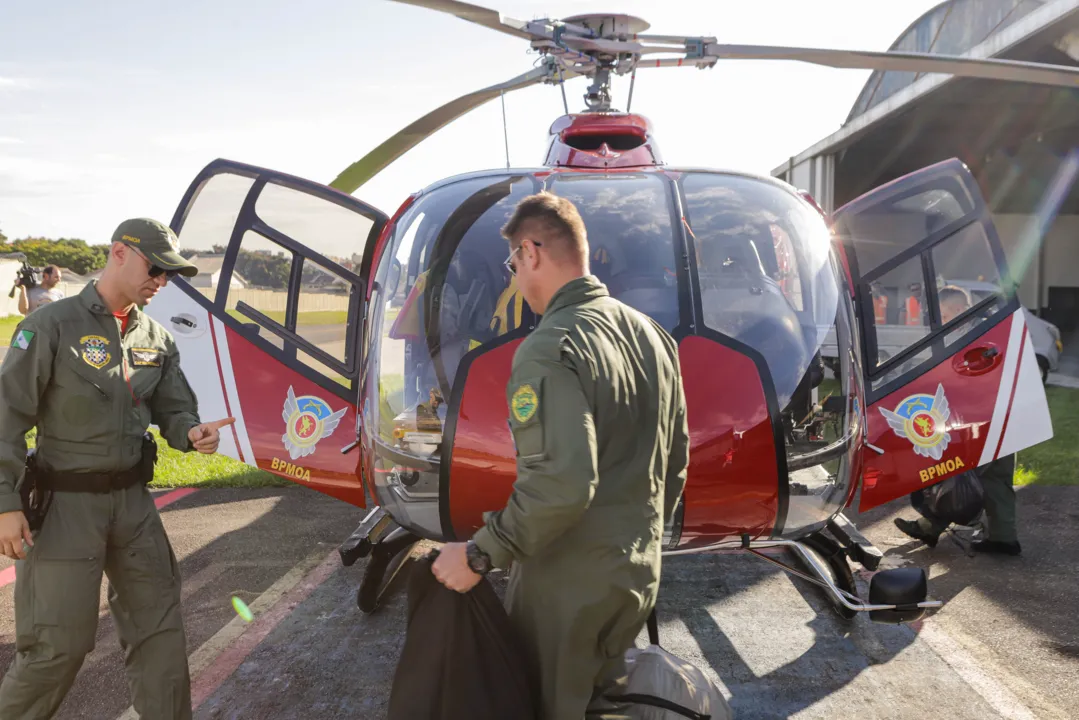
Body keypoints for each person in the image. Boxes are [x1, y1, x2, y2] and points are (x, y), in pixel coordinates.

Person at [430, 191, 690, 719]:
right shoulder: (652, 336)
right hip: (637, 571)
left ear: (530, 252)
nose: (513, 278)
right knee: (606, 699)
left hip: (568, 588)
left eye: (512, 264)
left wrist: (481, 553)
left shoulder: (550, 347)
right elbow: (675, 461)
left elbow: (561, 484)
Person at [0, 217, 236, 718]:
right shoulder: (51, 325)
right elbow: (5, 421)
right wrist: (5, 504)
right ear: (119, 253)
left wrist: (193, 433)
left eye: (169, 275)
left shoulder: (155, 336)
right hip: (64, 507)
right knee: (54, 648)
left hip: (133, 506)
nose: (161, 282)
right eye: (156, 269)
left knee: (161, 638)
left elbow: (174, 409)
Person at [894, 285, 1021, 555]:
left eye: (943, 313)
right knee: (995, 478)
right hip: (1004, 415)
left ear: (960, 310)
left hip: (986, 419)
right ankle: (1003, 537)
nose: (939, 319)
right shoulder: (989, 332)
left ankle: (929, 527)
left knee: (958, 475)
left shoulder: (973, 337)